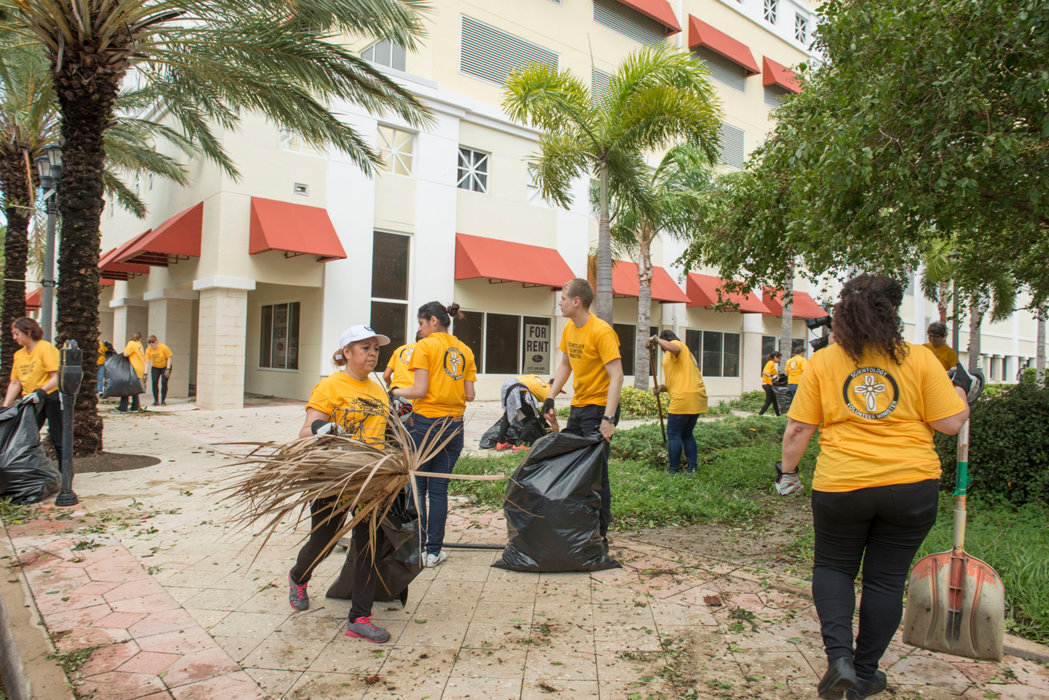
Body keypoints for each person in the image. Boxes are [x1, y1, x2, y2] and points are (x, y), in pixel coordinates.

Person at [776, 275, 970, 700]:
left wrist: (786, 472)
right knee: (885, 581)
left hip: (842, 485)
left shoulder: (824, 361)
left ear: (843, 314)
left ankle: (840, 660)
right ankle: (865, 674)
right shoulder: (921, 359)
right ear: (891, 312)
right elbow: (951, 422)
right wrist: (960, 390)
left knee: (834, 568)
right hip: (911, 485)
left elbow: (799, 428)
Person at [287, 324, 393, 643]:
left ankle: (359, 617)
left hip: (371, 478)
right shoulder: (329, 386)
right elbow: (305, 431)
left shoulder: (378, 390)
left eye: (376, 348)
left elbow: (381, 433)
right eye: (365, 348)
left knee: (368, 544)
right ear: (347, 352)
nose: (373, 354)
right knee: (324, 539)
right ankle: (298, 576)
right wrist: (323, 429)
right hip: (334, 476)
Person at [391, 302, 476, 568]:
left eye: (421, 323)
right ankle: (433, 551)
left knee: (418, 488)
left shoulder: (425, 347)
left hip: (425, 425)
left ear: (433, 321)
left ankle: (417, 548)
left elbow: (419, 390)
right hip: (453, 427)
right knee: (439, 491)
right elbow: (470, 395)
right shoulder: (465, 350)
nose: (420, 329)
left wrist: (394, 392)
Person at [543, 279, 623, 541]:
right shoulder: (569, 328)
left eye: (564, 298)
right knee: (574, 465)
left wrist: (608, 419)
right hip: (579, 406)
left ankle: (600, 533)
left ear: (577, 301)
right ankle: (578, 525)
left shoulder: (601, 332)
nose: (560, 302)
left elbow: (617, 376)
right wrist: (550, 397)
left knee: (595, 472)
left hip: (599, 409)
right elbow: (566, 365)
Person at [3, 318, 63, 466]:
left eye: (17, 334)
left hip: (49, 397)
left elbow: (57, 376)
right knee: (25, 438)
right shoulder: (19, 355)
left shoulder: (45, 348)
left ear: (28, 332)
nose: (14, 337)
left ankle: (65, 473)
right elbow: (15, 382)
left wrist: (41, 391)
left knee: (58, 438)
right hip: (30, 400)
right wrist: (5, 407)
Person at [651, 330, 707, 474]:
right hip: (696, 396)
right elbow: (678, 380)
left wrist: (656, 340)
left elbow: (675, 348)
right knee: (687, 434)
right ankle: (692, 468)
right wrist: (662, 388)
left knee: (673, 434)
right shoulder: (685, 356)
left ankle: (673, 470)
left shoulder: (677, 345)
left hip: (683, 398)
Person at [494, 374, 551, 451]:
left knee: (508, 414)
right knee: (533, 418)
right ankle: (519, 444)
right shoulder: (548, 392)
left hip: (507, 386)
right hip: (520, 390)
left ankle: (500, 443)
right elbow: (547, 413)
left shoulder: (540, 381)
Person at [383, 332, 420, 417]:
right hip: (415, 398)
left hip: (397, 396)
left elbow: (386, 375)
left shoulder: (399, 350)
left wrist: (390, 385)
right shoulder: (426, 352)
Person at [117, 331, 145, 413]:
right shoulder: (140, 345)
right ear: (140, 338)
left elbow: (125, 354)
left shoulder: (131, 343)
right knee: (134, 388)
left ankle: (122, 407)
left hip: (132, 369)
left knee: (125, 387)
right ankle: (135, 407)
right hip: (139, 368)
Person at [144, 335, 173, 406]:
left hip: (165, 366)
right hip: (155, 366)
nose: (151, 344)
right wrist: (145, 373)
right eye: (149, 342)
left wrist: (168, 369)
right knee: (154, 382)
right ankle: (156, 400)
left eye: (153, 342)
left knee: (164, 382)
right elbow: (147, 362)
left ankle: (163, 400)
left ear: (156, 341)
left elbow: (169, 357)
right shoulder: (148, 350)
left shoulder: (163, 347)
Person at [758, 351, 782, 416]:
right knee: (768, 401)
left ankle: (778, 415)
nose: (779, 360)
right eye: (779, 358)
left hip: (769, 384)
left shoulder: (772, 363)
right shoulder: (770, 363)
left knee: (774, 401)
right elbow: (764, 372)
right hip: (768, 384)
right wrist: (773, 376)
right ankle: (760, 414)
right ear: (775, 357)